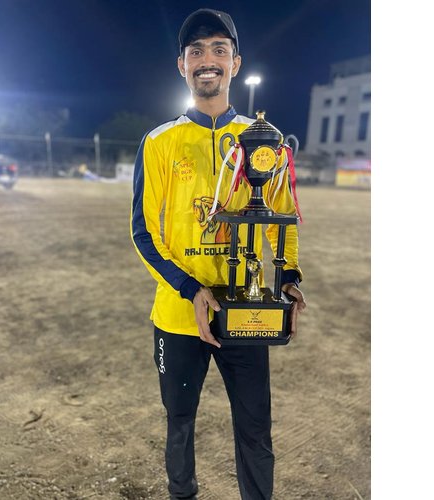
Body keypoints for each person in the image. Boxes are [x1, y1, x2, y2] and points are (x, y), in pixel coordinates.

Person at [131, 8, 306, 500]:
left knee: (255, 427)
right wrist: (190, 289)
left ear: (235, 63)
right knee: (179, 423)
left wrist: (288, 276)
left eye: (219, 50)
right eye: (196, 51)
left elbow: (282, 215)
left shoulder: (263, 141)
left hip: (245, 310)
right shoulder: (160, 142)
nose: (207, 59)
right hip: (179, 314)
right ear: (182, 65)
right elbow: (143, 232)